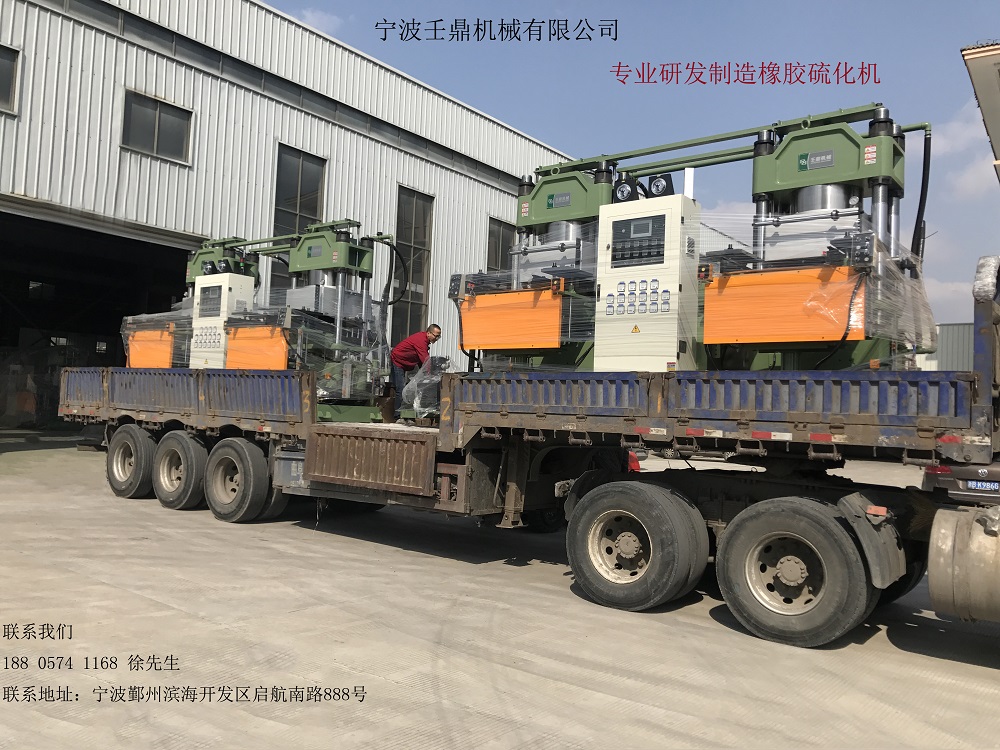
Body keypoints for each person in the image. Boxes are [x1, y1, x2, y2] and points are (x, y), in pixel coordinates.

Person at [390, 324, 441, 419]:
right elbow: (425, 359)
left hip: (408, 363)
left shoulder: (424, 341)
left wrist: (426, 374)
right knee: (401, 389)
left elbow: (422, 361)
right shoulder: (420, 340)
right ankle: (397, 416)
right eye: (436, 336)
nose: (437, 338)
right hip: (398, 361)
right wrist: (431, 374)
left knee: (413, 388)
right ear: (428, 333)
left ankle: (408, 414)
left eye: (439, 336)